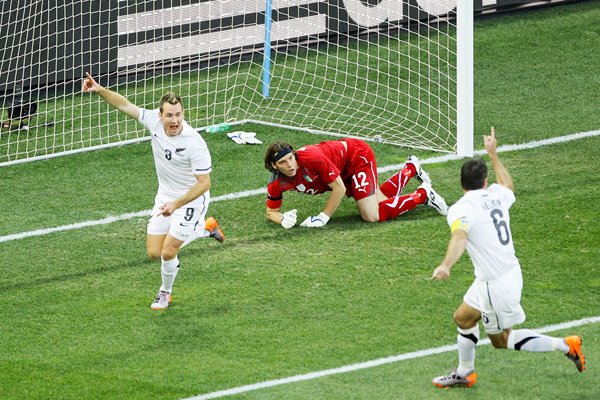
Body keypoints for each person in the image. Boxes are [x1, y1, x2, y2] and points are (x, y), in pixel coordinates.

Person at [431, 127, 585, 388]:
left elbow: (460, 237)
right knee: (463, 318)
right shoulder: (496, 194)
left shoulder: (461, 208)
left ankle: (565, 345)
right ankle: (465, 372)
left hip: (495, 284)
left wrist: (446, 265)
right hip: (501, 274)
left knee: (501, 340)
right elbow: (509, 186)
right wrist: (493, 153)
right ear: (484, 181)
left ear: (461, 183)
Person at [82, 73, 225, 310]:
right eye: (169, 115)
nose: (174, 120)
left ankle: (164, 293)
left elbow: (204, 183)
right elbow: (124, 104)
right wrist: (99, 90)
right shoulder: (153, 122)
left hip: (190, 200)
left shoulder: (194, 142)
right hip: (165, 197)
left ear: (183, 114)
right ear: (161, 115)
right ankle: (205, 229)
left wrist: (177, 205)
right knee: (154, 252)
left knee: (168, 252)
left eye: (178, 114)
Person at [263, 138, 448, 229]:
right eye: (282, 163)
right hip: (341, 170)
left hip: (355, 158)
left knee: (371, 214)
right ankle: (410, 169)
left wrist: (323, 217)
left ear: (294, 155)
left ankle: (423, 195)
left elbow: (339, 188)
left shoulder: (313, 159)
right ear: (274, 166)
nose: (289, 165)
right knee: (381, 201)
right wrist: (283, 220)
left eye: (290, 158)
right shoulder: (276, 183)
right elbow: (271, 212)